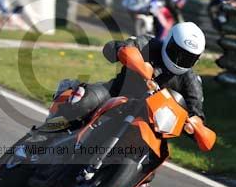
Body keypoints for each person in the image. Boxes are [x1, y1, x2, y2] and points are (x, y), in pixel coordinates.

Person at [55, 22, 206, 125]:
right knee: (83, 101)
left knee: (159, 152)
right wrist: (124, 52)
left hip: (151, 119)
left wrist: (195, 123)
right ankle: (45, 135)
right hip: (116, 93)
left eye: (188, 58)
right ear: (169, 41)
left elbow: (196, 109)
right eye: (176, 52)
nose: (180, 60)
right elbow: (120, 47)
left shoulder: (191, 79)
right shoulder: (148, 43)